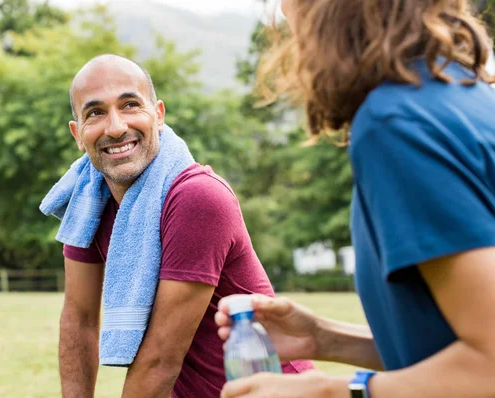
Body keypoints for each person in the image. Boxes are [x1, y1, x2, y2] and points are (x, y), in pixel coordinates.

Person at [215, 0, 495, 397]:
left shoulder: (395, 124)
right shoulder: (458, 88)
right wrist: (324, 339)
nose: (281, 10)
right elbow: (451, 343)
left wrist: (329, 391)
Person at [41, 54, 314, 398]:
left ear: (158, 115)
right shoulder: (88, 196)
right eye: (95, 113)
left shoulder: (198, 198)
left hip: (273, 391)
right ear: (77, 133)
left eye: (130, 105)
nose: (115, 127)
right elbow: (78, 320)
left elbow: (160, 358)